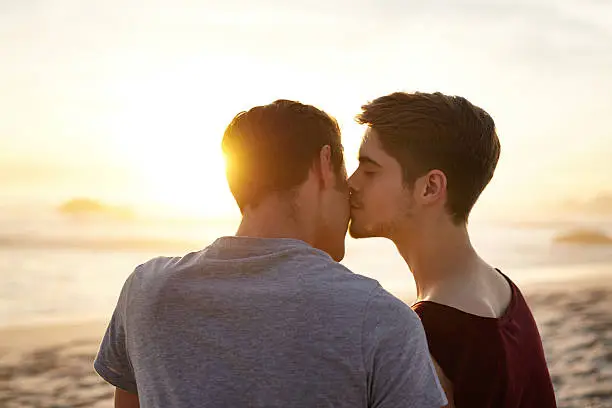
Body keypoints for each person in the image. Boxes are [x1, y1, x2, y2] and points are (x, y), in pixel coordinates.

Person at [94, 99, 447, 408]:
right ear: (324, 165)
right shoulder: (381, 319)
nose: (351, 201)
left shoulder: (145, 291)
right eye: (345, 178)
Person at [348, 92, 557, 407]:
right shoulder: (503, 291)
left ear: (430, 187)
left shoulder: (432, 334)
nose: (351, 182)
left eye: (370, 170)